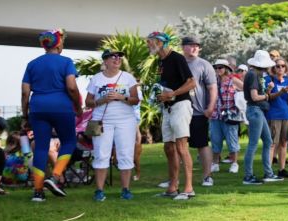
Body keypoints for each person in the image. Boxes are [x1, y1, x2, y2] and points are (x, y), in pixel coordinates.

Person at [21, 30, 82, 202]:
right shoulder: (66, 62)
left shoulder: (32, 64)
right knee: (69, 142)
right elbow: (71, 87)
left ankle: (38, 192)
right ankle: (55, 177)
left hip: (38, 108)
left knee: (40, 147)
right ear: (58, 44)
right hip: (62, 107)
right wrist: (77, 106)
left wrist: (25, 116)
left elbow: (25, 92)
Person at [84, 50, 140, 201]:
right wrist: (101, 100)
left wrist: (122, 97)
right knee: (101, 154)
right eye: (113, 57)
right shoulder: (96, 79)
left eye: (119, 57)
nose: (117, 59)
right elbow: (87, 102)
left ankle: (126, 189)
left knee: (125, 154)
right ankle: (99, 190)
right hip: (102, 121)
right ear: (105, 61)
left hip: (125, 121)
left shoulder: (128, 77)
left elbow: (135, 100)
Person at [146, 31, 196, 200]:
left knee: (182, 147)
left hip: (181, 105)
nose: (149, 44)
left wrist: (172, 93)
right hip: (168, 108)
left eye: (152, 41)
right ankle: (172, 188)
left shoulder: (177, 58)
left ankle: (188, 188)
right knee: (169, 147)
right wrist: (160, 94)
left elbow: (192, 82)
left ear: (162, 43)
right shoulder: (160, 61)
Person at [182, 36, 218, 188]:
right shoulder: (178, 63)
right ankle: (175, 179)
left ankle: (207, 176)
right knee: (177, 145)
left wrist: (210, 107)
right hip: (179, 110)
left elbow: (212, 88)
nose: (195, 48)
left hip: (197, 112)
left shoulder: (204, 65)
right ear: (183, 47)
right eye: (191, 45)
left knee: (202, 144)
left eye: (197, 46)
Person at [242, 50, 279, 185]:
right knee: (253, 144)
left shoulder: (257, 74)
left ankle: (268, 173)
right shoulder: (253, 75)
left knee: (268, 142)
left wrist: (267, 90)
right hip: (255, 110)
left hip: (258, 111)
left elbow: (259, 94)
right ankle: (248, 176)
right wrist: (267, 95)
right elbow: (254, 97)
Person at [265, 59, 288, 179]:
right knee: (272, 144)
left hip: (287, 114)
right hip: (273, 115)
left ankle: (282, 169)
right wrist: (280, 92)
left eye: (283, 66)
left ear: (286, 68)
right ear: (273, 68)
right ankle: (268, 171)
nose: (280, 68)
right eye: (277, 66)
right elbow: (267, 96)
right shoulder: (269, 80)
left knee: (284, 143)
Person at [209, 58, 241, 175]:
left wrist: (239, 104)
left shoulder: (233, 80)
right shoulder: (213, 81)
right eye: (216, 68)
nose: (218, 70)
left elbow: (245, 91)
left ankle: (234, 163)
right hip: (215, 115)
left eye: (220, 67)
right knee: (215, 140)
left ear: (226, 68)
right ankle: (215, 163)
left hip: (230, 115)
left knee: (232, 140)